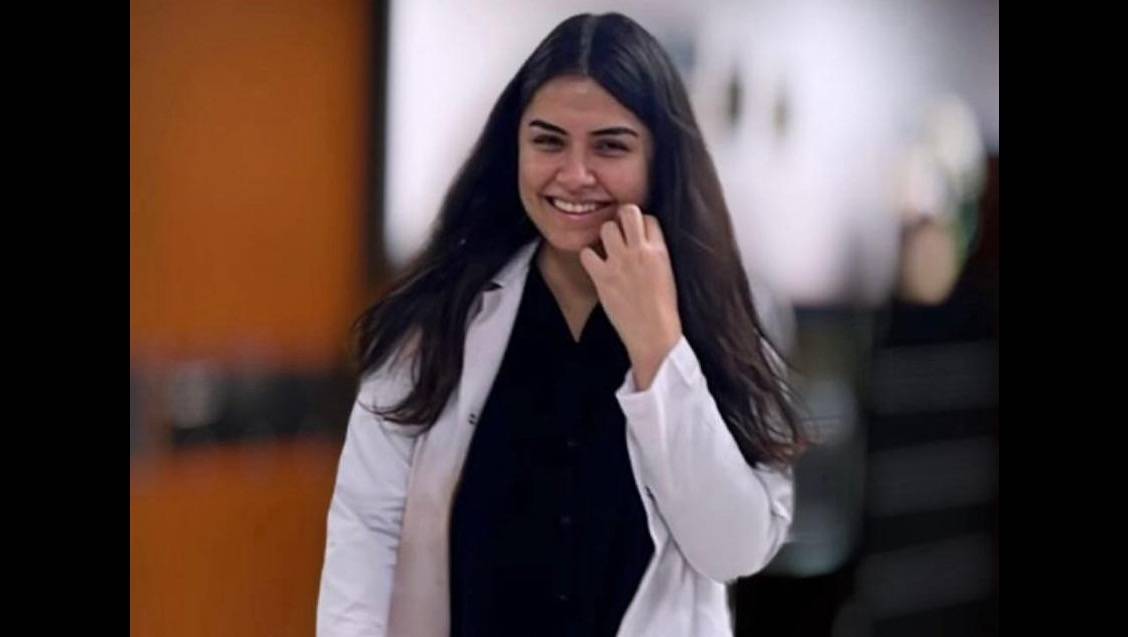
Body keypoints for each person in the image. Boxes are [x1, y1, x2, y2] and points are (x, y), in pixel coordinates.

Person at [317, 12, 807, 637]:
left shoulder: (730, 314)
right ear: (514, 148)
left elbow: (733, 549)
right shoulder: (438, 311)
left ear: (661, 159)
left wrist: (659, 343)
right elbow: (366, 527)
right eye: (548, 142)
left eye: (610, 146)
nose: (574, 174)